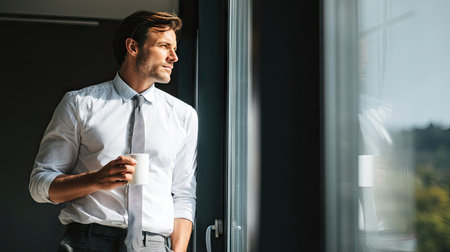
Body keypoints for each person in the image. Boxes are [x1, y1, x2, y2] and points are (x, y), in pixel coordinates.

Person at [29, 11, 197, 252]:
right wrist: (95, 180)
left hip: (155, 245)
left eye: (175, 48)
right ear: (132, 47)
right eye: (164, 46)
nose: (174, 57)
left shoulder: (184, 116)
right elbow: (39, 185)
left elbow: (183, 195)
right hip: (89, 242)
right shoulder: (80, 104)